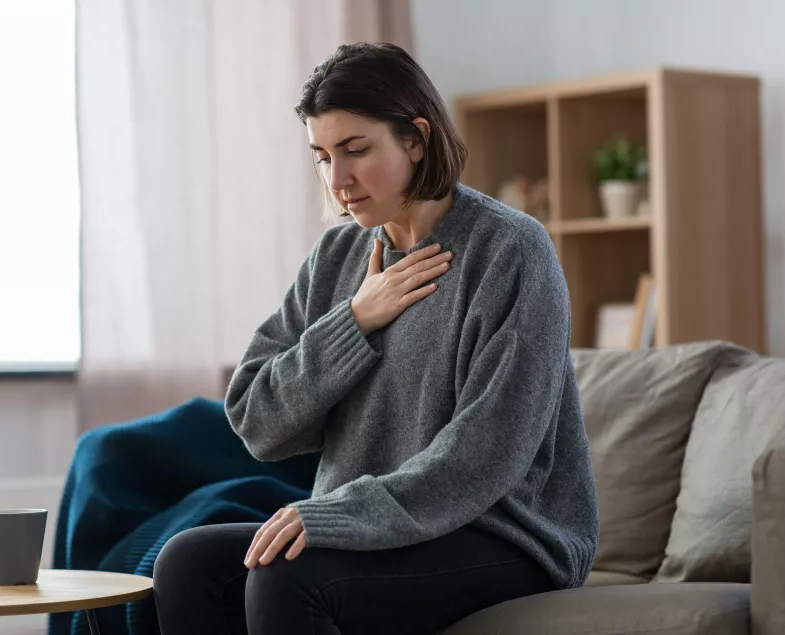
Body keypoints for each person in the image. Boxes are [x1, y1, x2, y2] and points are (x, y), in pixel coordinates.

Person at [153, 42, 599, 635]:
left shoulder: (511, 250)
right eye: (322, 157)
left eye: (355, 150)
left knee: (288, 575)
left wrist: (337, 516)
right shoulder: (337, 257)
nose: (338, 180)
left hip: (503, 535)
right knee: (187, 562)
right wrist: (354, 321)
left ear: (415, 138)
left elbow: (485, 452)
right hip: (372, 530)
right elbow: (256, 420)